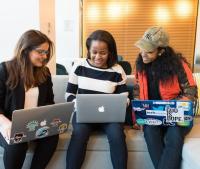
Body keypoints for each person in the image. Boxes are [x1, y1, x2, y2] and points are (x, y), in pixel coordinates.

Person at [134, 26, 197, 169]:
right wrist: (138, 117)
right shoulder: (140, 67)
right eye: (142, 48)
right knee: (149, 131)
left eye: (149, 51)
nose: (143, 53)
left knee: (174, 135)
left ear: (161, 51)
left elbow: (191, 92)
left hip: (177, 115)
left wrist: (168, 109)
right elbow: (137, 94)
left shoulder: (178, 65)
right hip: (153, 117)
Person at [65, 30, 128, 169]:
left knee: (117, 135)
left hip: (109, 117)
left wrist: (122, 103)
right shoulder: (79, 66)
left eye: (103, 53)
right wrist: (78, 104)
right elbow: (69, 94)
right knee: (79, 134)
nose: (98, 56)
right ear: (88, 50)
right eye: (94, 52)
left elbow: (124, 97)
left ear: (110, 52)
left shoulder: (117, 70)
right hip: (83, 114)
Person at [0, 30, 59, 169]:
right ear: (25, 50)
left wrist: (53, 119)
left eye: (46, 52)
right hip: (6, 125)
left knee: (52, 138)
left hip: (33, 123)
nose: (45, 56)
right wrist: (6, 124)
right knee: (18, 143)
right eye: (40, 52)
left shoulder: (44, 73)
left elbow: (49, 102)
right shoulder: (4, 69)